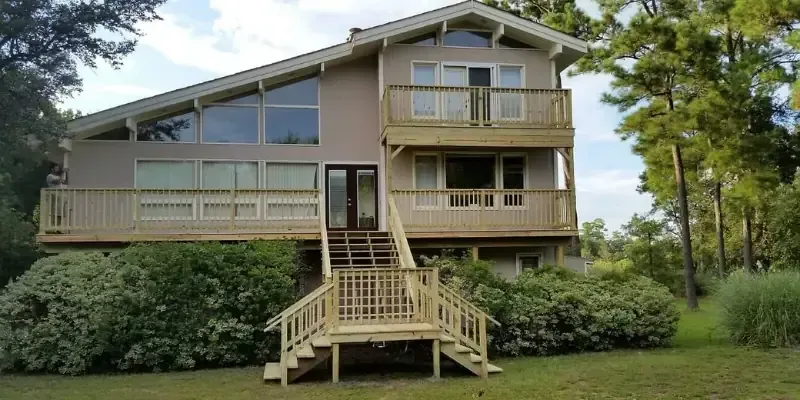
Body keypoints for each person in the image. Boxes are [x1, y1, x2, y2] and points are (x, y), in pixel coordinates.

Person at [46, 164, 67, 230]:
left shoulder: (58, 176)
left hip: (60, 196)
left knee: (60, 213)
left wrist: (66, 173)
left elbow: (65, 181)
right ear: (52, 169)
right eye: (56, 168)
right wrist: (63, 172)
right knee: (54, 212)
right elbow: (58, 181)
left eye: (58, 168)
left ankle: (58, 228)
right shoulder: (50, 176)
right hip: (54, 195)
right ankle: (53, 228)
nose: (58, 169)